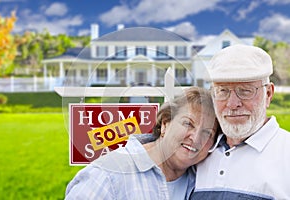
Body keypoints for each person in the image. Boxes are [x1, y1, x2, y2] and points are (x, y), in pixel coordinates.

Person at [65, 87, 219, 200]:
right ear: (165, 124)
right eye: (188, 123)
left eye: (207, 133)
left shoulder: (201, 182)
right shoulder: (108, 175)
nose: (196, 138)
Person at [191, 44, 290, 200]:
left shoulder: (286, 153)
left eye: (245, 90)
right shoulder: (198, 153)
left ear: (268, 94)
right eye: (222, 91)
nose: (232, 104)